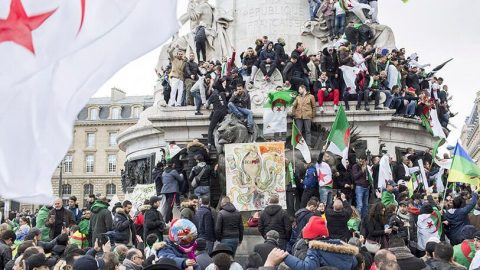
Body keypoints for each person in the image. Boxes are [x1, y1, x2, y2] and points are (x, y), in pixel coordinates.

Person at [266, 216, 359, 270]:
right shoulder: (343, 247)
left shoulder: (315, 249)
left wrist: (286, 256)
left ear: (311, 238)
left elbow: (307, 268)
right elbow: (354, 263)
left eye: (307, 240)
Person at [205, 83, 228, 150]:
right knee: (222, 129)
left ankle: (209, 144)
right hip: (224, 113)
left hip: (217, 113)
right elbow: (228, 94)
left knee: (210, 129)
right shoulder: (222, 94)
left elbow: (206, 106)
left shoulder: (212, 95)